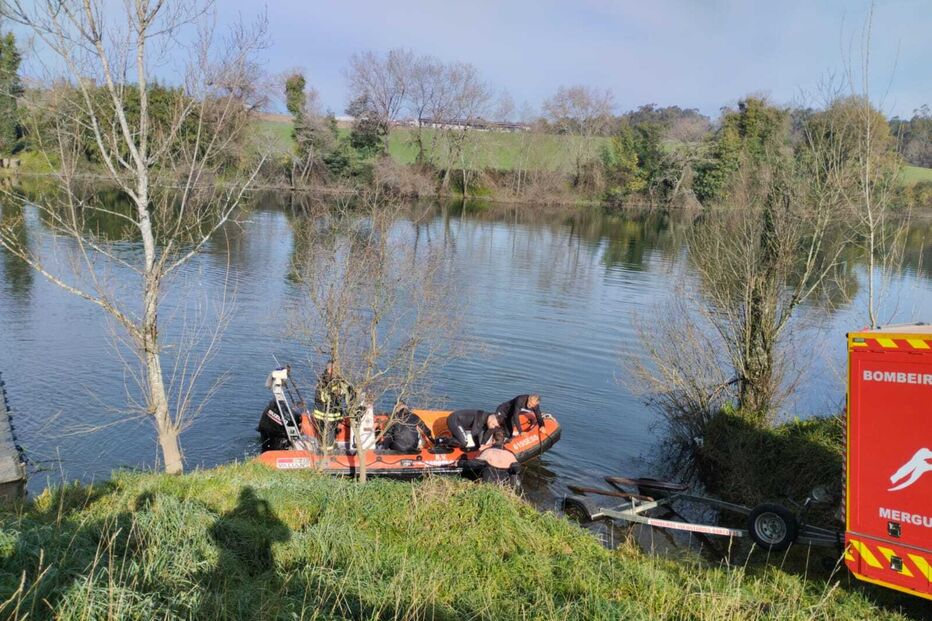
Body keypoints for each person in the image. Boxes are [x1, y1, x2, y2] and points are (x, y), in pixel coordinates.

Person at [313, 361, 355, 450]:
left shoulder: (338, 380)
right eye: (335, 369)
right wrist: (334, 394)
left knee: (332, 435)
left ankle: (330, 448)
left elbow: (347, 389)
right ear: (329, 369)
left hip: (334, 415)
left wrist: (351, 392)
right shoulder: (324, 381)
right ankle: (327, 455)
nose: (337, 371)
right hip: (325, 415)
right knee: (327, 439)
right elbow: (322, 398)